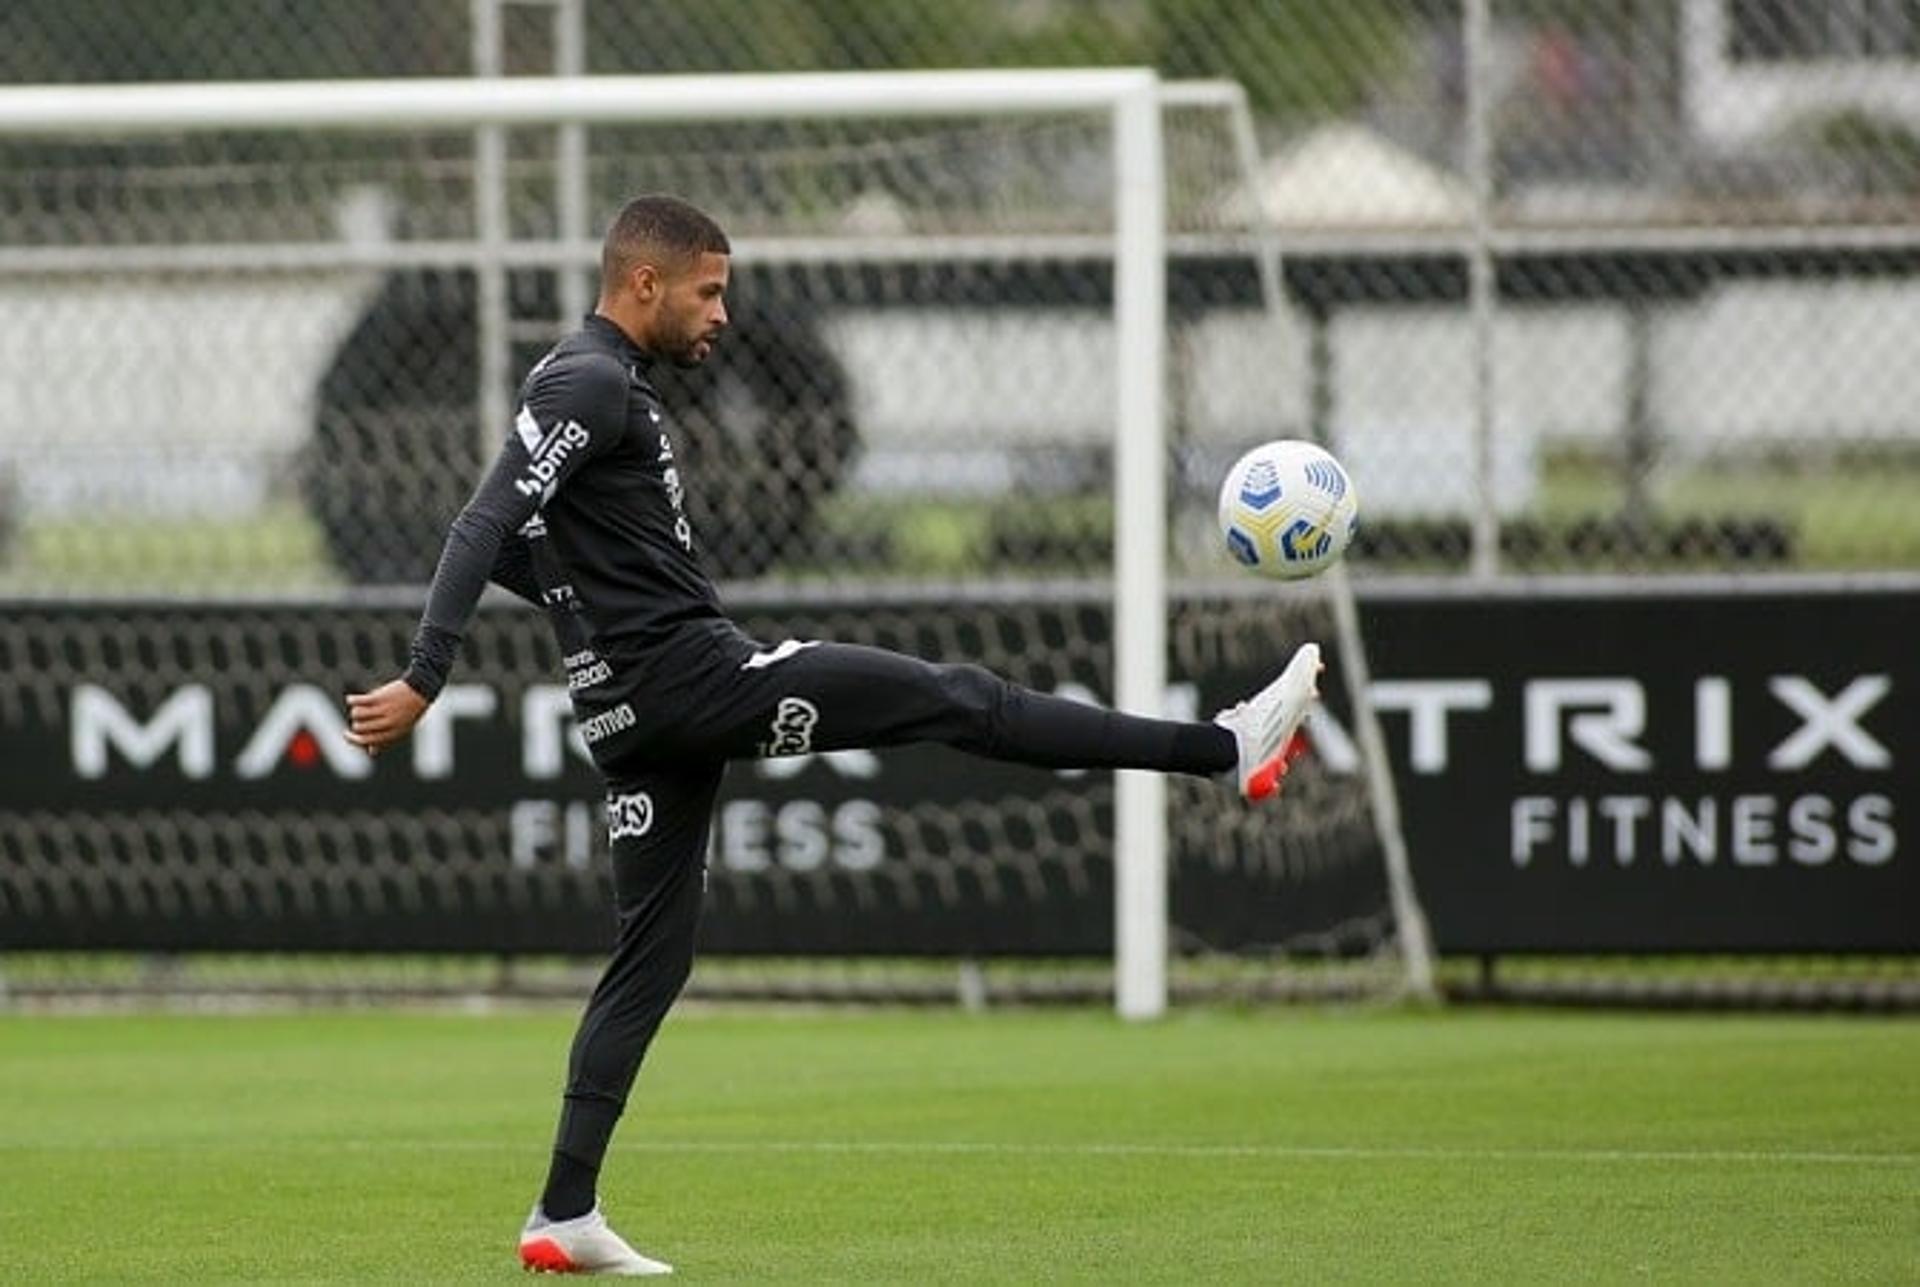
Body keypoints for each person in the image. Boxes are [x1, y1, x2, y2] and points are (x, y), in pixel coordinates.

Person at [345, 193, 1321, 1277]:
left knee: (649, 963)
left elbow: (531, 549)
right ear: (645, 284)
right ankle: (1227, 749)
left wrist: (583, 626)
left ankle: (564, 1211)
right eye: (710, 291)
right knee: (955, 699)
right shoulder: (587, 381)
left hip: (634, 718)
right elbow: (481, 521)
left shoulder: (594, 384)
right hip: (694, 683)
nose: (723, 314)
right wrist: (425, 675)